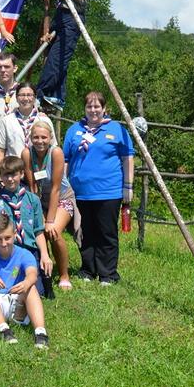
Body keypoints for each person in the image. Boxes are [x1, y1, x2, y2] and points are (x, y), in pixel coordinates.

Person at [62, 91, 134, 285]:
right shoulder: (74, 130)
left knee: (106, 232)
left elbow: (127, 158)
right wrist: (64, 186)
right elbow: (65, 159)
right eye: (89, 106)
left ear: (104, 108)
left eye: (97, 106)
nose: (93, 110)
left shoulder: (116, 129)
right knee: (85, 231)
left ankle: (107, 273)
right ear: (84, 109)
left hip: (108, 191)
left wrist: (128, 186)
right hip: (80, 192)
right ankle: (88, 269)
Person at [0, 212, 50, 349]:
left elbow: (32, 274)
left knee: (31, 287)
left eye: (7, 238)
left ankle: (40, 333)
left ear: (15, 234)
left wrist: (27, 282)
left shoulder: (24, 254)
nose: (4, 243)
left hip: (16, 301)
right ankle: (3, 329)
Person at [0, 156, 52, 297]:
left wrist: (45, 255)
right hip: (5, 252)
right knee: (7, 289)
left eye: (14, 175)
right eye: (6, 175)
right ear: (0, 176)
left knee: (36, 291)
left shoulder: (33, 200)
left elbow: (38, 231)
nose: (10, 179)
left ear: (21, 174)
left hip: (29, 251)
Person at [37, 0, 91, 111]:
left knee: (58, 57)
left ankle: (40, 93)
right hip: (58, 16)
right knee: (54, 56)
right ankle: (57, 95)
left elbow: (84, 1)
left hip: (73, 18)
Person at [23, 120, 76, 290]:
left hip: (62, 197)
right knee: (39, 232)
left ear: (50, 137)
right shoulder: (27, 153)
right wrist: (38, 213)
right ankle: (44, 269)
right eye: (36, 137)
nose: (40, 141)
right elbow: (32, 186)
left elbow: (56, 188)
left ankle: (64, 275)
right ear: (30, 138)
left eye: (44, 137)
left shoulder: (56, 152)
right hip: (40, 199)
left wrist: (50, 220)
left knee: (53, 232)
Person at [0, 82, 55, 164]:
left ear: (35, 98)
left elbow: (53, 147)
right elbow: (0, 150)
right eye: (22, 95)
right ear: (16, 98)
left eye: (29, 95)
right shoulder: (7, 121)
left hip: (39, 168)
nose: (26, 98)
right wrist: (2, 170)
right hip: (14, 169)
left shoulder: (44, 120)